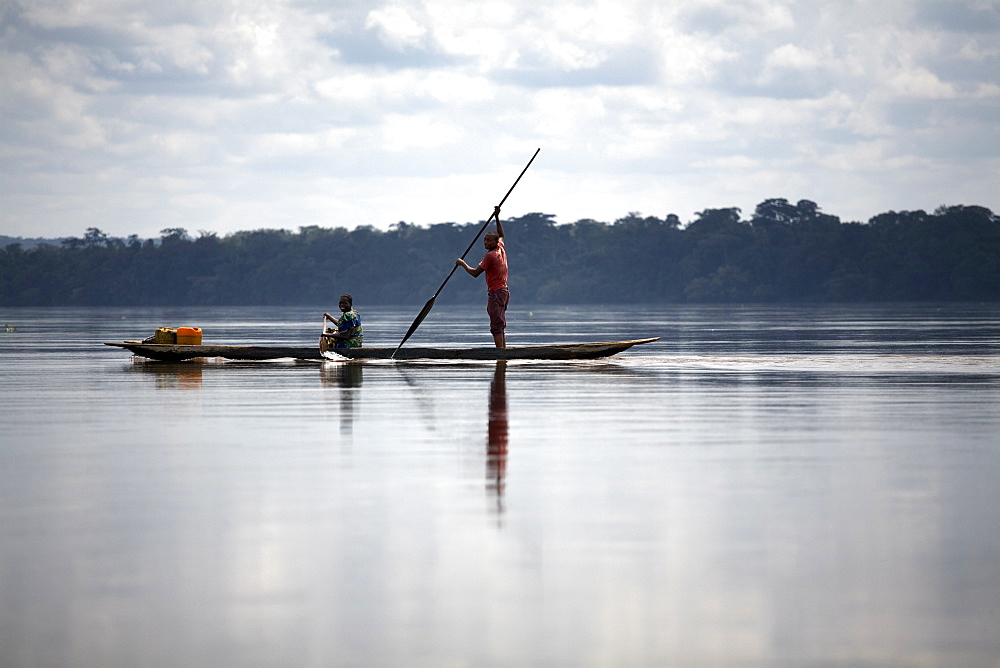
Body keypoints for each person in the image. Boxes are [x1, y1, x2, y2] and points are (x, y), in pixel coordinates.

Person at [456, 206, 508, 348]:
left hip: (496, 293)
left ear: (495, 242)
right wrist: (497, 216)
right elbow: (501, 234)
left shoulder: (490, 256)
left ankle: (501, 353)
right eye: (484, 240)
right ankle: (503, 350)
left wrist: (462, 264)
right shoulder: (500, 247)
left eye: (489, 241)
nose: (485, 243)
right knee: (500, 323)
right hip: (503, 292)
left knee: (496, 325)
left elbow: (475, 273)